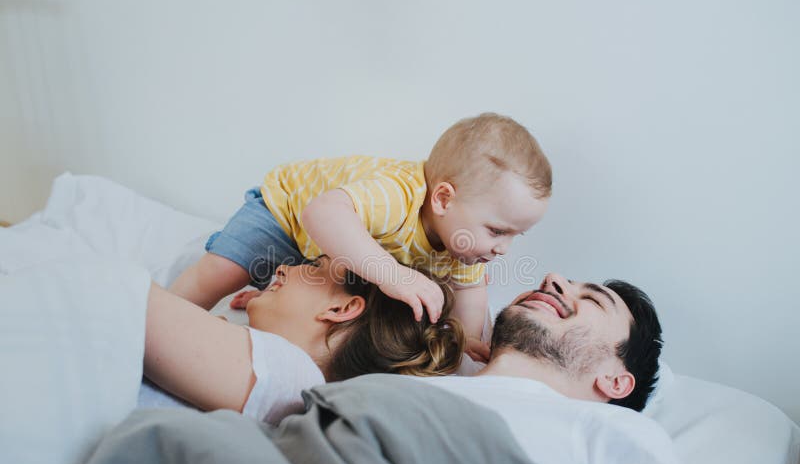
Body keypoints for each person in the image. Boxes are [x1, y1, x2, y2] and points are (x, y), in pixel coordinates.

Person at [169, 113, 552, 361]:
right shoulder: (398, 195)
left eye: (515, 236)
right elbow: (320, 215)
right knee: (225, 271)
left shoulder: (464, 251)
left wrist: (467, 340)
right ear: (443, 199)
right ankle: (164, 312)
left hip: (326, 257)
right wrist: (394, 274)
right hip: (287, 214)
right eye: (497, 231)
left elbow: (470, 295)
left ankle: (273, 294)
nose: (502, 248)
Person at [417, 272, 700, 464]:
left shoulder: (619, 432)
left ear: (615, 381)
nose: (551, 278)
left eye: (593, 300)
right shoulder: (407, 385)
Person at [142, 255, 464, 425]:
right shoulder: (286, 379)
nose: (282, 268)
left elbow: (126, 301)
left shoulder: (290, 373)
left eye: (313, 266)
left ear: (341, 308)